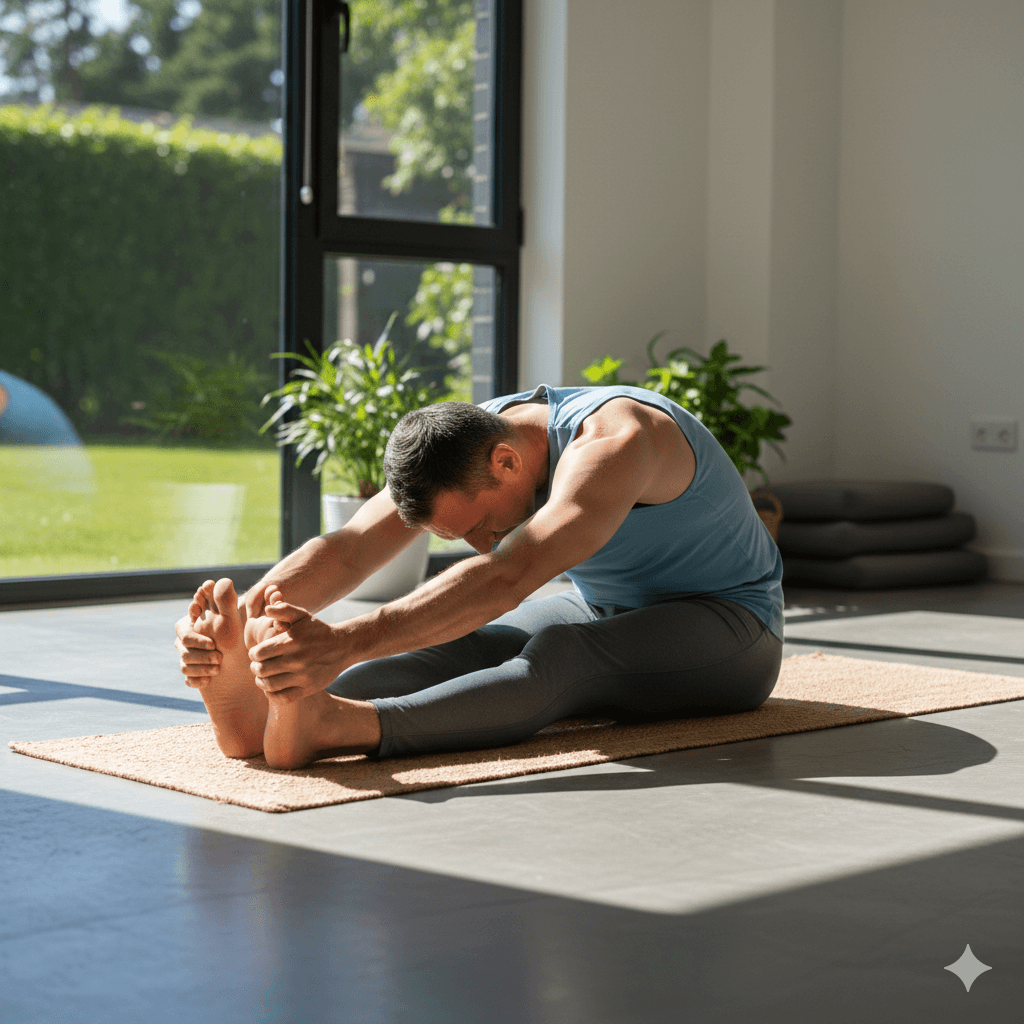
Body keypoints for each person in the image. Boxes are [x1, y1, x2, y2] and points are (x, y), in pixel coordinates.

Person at [175, 383, 784, 770]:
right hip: (605, 607)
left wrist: (343, 642)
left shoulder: (618, 443)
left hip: (732, 628)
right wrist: (240, 618)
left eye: (481, 523)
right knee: (456, 639)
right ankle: (264, 716)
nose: (477, 542)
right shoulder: (467, 439)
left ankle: (342, 724)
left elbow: (506, 574)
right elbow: (351, 548)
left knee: (565, 655)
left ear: (507, 462)